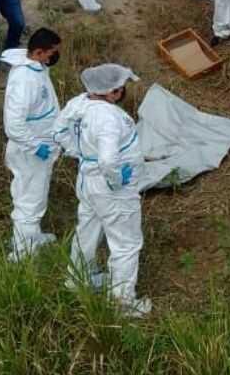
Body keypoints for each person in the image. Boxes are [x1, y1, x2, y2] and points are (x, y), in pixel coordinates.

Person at [56, 64, 151, 317]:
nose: (124, 91)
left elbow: (59, 131)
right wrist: (117, 178)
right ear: (112, 92)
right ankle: (122, 304)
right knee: (126, 244)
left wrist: (80, 154)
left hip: (88, 181)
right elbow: (108, 160)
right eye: (122, 88)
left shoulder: (79, 103)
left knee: (87, 230)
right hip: (111, 189)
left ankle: (77, 280)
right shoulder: (108, 118)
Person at [0, 27, 62, 261]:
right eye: (52, 52)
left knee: (37, 195)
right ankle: (23, 253)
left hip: (40, 148)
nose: (54, 56)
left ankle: (32, 237)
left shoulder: (36, 68)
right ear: (38, 52)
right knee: (29, 200)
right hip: (31, 151)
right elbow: (13, 125)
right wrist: (36, 146)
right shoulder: (24, 80)